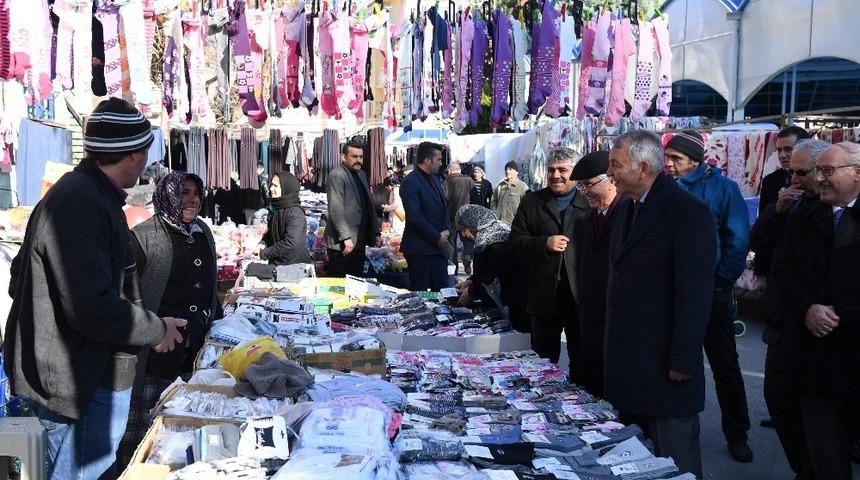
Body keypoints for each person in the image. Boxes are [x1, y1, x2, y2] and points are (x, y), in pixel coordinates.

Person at [3, 98, 185, 480]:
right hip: (78, 382)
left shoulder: (85, 195)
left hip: (81, 374)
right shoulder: (80, 203)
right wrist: (155, 329)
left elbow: (23, 274)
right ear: (133, 155)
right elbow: (91, 307)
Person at [604, 130, 716, 479]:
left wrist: (683, 356)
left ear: (642, 167)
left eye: (615, 165)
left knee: (675, 459)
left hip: (666, 364)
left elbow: (695, 291)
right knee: (637, 458)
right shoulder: (627, 207)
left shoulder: (687, 212)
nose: (610, 173)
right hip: (631, 358)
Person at [118, 171, 222, 468]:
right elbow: (126, 292)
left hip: (193, 352)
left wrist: (219, 323)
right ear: (167, 195)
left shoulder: (202, 232)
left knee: (178, 436)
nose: (192, 200)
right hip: (155, 352)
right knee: (141, 434)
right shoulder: (144, 236)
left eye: (196, 193)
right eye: (184, 193)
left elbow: (211, 287)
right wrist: (152, 327)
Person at [773, 142, 860, 480]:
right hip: (814, 359)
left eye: (828, 171)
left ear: (856, 172)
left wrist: (838, 313)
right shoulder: (804, 214)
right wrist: (809, 307)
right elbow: (784, 267)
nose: (819, 179)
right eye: (817, 172)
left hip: (853, 348)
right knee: (826, 456)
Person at [665, 130, 753, 462]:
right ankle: (677, 435)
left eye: (677, 159)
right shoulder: (666, 188)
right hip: (675, 292)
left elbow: (738, 240)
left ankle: (738, 433)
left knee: (724, 366)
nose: (670, 165)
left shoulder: (723, 188)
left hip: (714, 292)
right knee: (677, 363)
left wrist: (720, 281)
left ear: (695, 161)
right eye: (668, 158)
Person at [750, 139, 829, 479]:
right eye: (790, 171)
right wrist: (775, 212)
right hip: (785, 320)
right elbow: (760, 244)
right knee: (779, 398)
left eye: (801, 172)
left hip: (820, 324)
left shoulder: (833, 207)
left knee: (820, 412)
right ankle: (804, 466)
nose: (794, 178)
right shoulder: (788, 199)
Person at [509, 147, 589, 366]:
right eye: (551, 170)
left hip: (579, 295)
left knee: (582, 360)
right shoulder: (532, 201)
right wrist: (544, 243)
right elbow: (515, 242)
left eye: (562, 170)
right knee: (543, 361)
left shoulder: (588, 201)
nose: (556, 175)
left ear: (574, 172)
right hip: (543, 293)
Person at [570, 151, 621, 397]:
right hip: (590, 315)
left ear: (610, 180)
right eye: (580, 186)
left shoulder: (628, 214)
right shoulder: (586, 220)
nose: (583, 192)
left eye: (588, 185)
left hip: (617, 320)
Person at [453, 205, 528, 331]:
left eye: (464, 229)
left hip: (511, 310)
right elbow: (484, 270)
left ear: (473, 223)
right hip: (498, 306)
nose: (463, 235)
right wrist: (471, 280)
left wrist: (472, 292)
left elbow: (496, 277)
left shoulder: (498, 242)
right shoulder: (484, 238)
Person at [755, 126, 810, 276]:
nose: (782, 155)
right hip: (776, 265)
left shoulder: (816, 181)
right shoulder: (770, 181)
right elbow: (763, 231)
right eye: (779, 150)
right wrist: (760, 272)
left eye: (788, 149)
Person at [324, 138, 381, 277]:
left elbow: (369, 204)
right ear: (344, 157)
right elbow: (336, 208)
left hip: (359, 241)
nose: (358, 160)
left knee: (356, 284)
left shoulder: (361, 174)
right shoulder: (337, 175)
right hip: (343, 243)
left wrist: (376, 232)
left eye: (361, 157)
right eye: (354, 157)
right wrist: (346, 238)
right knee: (340, 287)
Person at [400, 142, 451, 291]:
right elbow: (415, 216)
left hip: (439, 250)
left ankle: (439, 314)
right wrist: (437, 237)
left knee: (441, 293)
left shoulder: (435, 179)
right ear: (427, 161)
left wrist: (447, 229)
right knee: (421, 295)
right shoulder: (410, 182)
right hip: (420, 250)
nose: (441, 163)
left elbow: (444, 207)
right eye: (439, 159)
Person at [259, 172, 313, 265]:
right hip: (279, 263)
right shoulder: (277, 209)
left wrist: (265, 253)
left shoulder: (295, 212)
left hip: (294, 266)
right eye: (271, 185)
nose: (271, 189)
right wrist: (262, 244)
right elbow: (270, 236)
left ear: (286, 188)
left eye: (275, 186)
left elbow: (291, 242)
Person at [444, 162, 473, 273]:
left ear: (450, 171)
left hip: (451, 217)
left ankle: (454, 267)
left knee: (451, 243)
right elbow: (475, 199)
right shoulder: (469, 181)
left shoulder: (447, 182)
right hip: (467, 217)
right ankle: (467, 260)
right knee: (468, 241)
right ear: (459, 170)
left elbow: (444, 200)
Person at [492, 160, 529, 226]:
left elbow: (527, 206)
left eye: (510, 169)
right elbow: (493, 200)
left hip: (514, 224)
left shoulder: (522, 187)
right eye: (506, 169)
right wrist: (495, 213)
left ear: (516, 172)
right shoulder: (500, 185)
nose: (507, 171)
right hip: (500, 223)